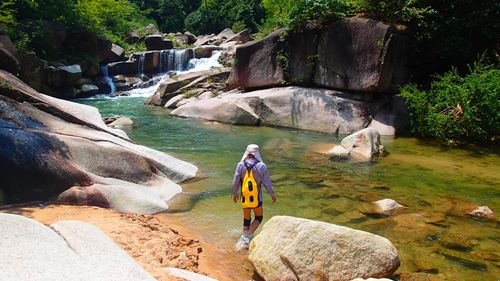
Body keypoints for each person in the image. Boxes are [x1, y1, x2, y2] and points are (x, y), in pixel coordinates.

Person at [232, 144, 276, 246]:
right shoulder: (261, 166)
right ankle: (247, 236)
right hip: (257, 198)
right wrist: (272, 194)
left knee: (246, 219)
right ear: (257, 153)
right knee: (258, 217)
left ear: (247, 152)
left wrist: (235, 194)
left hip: (245, 197)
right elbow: (267, 183)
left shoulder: (240, 165)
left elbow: (235, 181)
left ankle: (243, 241)